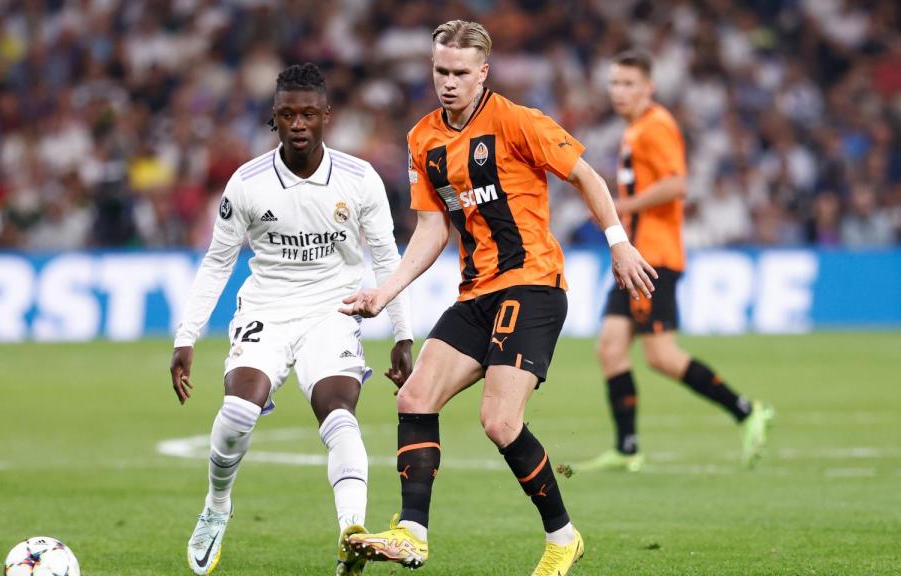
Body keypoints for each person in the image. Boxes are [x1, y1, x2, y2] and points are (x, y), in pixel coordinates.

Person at [339, 21, 657, 576]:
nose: (449, 82)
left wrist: (619, 244)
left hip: (532, 285)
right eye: (441, 70)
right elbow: (432, 231)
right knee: (414, 399)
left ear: (483, 72)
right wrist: (384, 292)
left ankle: (563, 538)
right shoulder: (423, 140)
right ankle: (412, 533)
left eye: (461, 73)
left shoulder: (517, 121)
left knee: (499, 420)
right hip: (476, 293)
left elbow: (588, 178)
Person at [169, 63, 414, 576]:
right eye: (286, 114)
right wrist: (186, 336)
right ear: (272, 119)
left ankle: (352, 532)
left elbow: (388, 259)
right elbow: (217, 263)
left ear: (327, 115)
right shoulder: (248, 184)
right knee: (238, 411)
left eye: (307, 113)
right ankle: (216, 507)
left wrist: (402, 332)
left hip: (334, 310)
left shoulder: (359, 178)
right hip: (267, 309)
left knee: (338, 413)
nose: (298, 123)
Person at [576, 50, 774, 474]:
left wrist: (624, 203)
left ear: (649, 87)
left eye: (629, 83)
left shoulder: (656, 126)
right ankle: (628, 449)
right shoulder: (634, 130)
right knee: (610, 348)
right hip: (634, 256)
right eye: (614, 82)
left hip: (654, 257)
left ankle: (746, 410)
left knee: (661, 355)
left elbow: (679, 183)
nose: (619, 91)